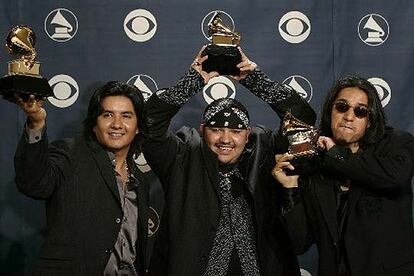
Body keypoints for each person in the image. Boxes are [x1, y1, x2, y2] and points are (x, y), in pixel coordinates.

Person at [143, 46, 316, 275]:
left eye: (235, 131)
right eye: (216, 130)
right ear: (202, 130)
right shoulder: (182, 156)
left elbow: (303, 119)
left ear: (247, 133)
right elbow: (148, 122)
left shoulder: (266, 150)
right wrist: (192, 82)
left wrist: (255, 80)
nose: (226, 139)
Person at [273, 75, 414, 275]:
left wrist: (336, 155)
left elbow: (396, 176)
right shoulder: (314, 163)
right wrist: (290, 188)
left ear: (370, 121)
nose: (349, 116)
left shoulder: (395, 144)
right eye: (341, 107)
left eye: (360, 111)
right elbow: (300, 242)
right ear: (330, 112)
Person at [14, 81, 151, 275]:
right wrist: (36, 123)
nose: (117, 124)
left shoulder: (140, 179)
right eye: (107, 115)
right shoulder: (70, 153)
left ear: (138, 127)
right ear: (95, 124)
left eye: (126, 116)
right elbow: (34, 183)